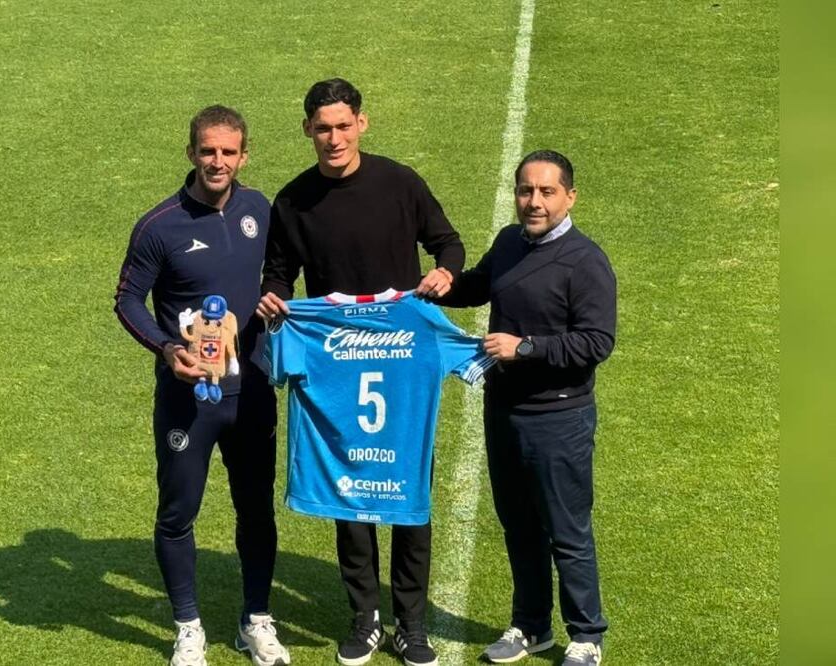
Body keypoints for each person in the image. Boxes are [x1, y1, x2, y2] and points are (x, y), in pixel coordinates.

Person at [257, 78, 462, 666]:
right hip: (337, 360)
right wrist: (274, 298)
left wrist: (444, 274)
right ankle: (365, 615)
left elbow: (448, 244)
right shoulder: (293, 200)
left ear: (362, 124)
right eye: (322, 128)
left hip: (400, 358)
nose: (334, 138)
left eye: (343, 126)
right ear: (307, 130)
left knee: (406, 485)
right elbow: (279, 272)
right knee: (349, 490)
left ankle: (412, 623)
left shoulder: (400, 183)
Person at [115, 105, 291, 666]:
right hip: (187, 398)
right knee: (178, 513)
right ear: (191, 152)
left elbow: (279, 272)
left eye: (228, 152)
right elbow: (127, 300)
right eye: (208, 150)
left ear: (244, 155)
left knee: (256, 510)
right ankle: (188, 627)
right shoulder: (159, 225)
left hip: (252, 391)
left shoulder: (259, 209)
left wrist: (276, 297)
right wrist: (167, 349)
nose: (218, 161)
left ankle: (255, 620)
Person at [437, 150, 615, 666]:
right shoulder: (509, 242)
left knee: (567, 531)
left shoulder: (586, 261)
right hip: (504, 411)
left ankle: (586, 635)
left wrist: (526, 348)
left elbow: (596, 341)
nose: (534, 201)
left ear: (569, 197)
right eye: (525, 190)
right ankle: (532, 626)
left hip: (559, 418)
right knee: (518, 525)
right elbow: (479, 285)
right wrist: (441, 287)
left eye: (546, 192)